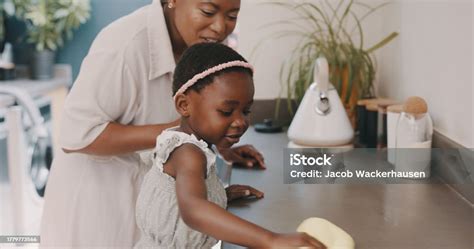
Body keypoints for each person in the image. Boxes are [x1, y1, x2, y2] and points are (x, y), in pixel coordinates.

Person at [40, 0, 266, 248]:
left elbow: (198, 109)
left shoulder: (202, 44)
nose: (220, 27)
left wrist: (218, 143)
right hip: (97, 208)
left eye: (232, 15)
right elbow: (78, 135)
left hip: (149, 210)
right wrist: (184, 134)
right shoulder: (124, 45)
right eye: (208, 12)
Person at [135, 42, 325, 249]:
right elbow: (193, 211)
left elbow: (182, 199)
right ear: (184, 105)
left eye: (246, 111)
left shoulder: (195, 144)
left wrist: (219, 196)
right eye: (227, 112)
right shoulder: (187, 152)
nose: (241, 122)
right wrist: (271, 240)